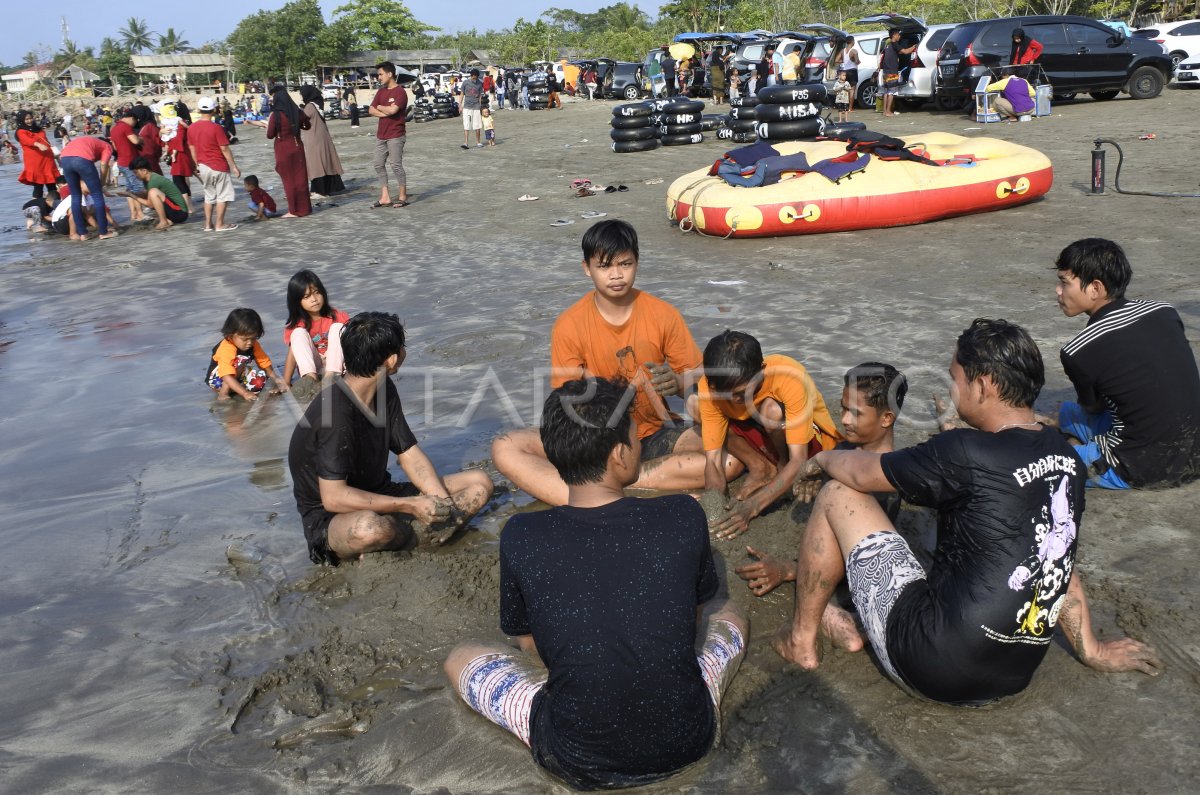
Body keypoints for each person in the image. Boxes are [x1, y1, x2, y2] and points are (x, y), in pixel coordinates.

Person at [773, 318, 1161, 704]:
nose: (951, 387)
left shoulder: (963, 450)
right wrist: (1091, 648)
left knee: (837, 493)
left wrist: (821, 459)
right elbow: (1057, 554)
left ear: (983, 385)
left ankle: (800, 641)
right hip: (1011, 677)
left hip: (931, 667)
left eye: (953, 378)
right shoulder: (1067, 459)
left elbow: (860, 471)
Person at [446, 377, 747, 790]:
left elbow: (530, 646)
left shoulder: (521, 534)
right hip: (686, 740)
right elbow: (692, 622)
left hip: (573, 756)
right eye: (635, 438)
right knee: (728, 612)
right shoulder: (682, 514)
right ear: (621, 454)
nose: (639, 444)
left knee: (460, 656)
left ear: (553, 453)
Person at [491, 220, 741, 506]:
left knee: (731, 460)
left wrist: (676, 382)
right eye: (605, 266)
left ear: (637, 262)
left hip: (652, 434)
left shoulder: (663, 314)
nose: (617, 275)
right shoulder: (569, 325)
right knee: (505, 447)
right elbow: (567, 402)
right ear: (587, 268)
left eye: (625, 264)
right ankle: (610, 488)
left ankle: (608, 489)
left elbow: (700, 380)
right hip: (594, 442)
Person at [287, 311, 495, 564]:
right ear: (392, 359)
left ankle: (411, 539)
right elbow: (333, 497)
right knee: (370, 528)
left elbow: (410, 454)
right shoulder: (335, 413)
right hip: (331, 516)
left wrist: (442, 505)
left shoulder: (384, 388)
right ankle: (408, 538)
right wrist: (409, 506)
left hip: (380, 492)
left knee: (479, 482)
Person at [736, 362, 907, 597]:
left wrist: (789, 569)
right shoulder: (844, 448)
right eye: (843, 408)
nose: (845, 420)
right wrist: (819, 479)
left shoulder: (884, 486)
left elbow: (854, 562)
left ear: (887, 418)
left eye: (855, 413)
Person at [1053, 238, 1200, 488]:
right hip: (1194, 448)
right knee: (1067, 414)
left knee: (1044, 462)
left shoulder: (1078, 350)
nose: (1058, 291)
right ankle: (1074, 440)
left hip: (1141, 465)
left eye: (1064, 283)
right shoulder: (1163, 309)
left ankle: (1078, 449)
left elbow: (1094, 408)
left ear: (1095, 289)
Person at [697, 331, 841, 540]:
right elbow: (712, 461)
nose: (736, 399)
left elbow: (800, 460)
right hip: (762, 438)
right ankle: (763, 468)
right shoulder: (710, 387)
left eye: (742, 392)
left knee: (772, 411)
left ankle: (781, 469)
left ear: (761, 371)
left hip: (806, 446)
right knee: (696, 408)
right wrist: (714, 507)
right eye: (727, 395)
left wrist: (750, 508)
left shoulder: (789, 377)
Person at [281, 269, 349, 399]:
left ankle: (331, 377)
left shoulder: (336, 316)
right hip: (315, 366)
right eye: (307, 297)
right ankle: (310, 380)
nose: (314, 299)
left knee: (338, 327)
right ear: (297, 302)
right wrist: (286, 382)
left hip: (337, 367)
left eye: (317, 293)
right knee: (298, 334)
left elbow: (353, 343)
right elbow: (293, 354)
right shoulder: (297, 325)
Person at [246, 86, 311, 218]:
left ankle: (293, 210)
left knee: (289, 181)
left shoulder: (276, 115)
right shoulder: (297, 111)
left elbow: (270, 135)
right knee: (301, 179)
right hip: (297, 146)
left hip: (283, 149)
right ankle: (305, 209)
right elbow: (307, 125)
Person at [205, 308, 286, 401]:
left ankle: (236, 388)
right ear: (231, 334)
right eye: (245, 339)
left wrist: (275, 378)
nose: (249, 343)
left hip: (237, 376)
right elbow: (226, 375)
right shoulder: (226, 348)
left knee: (260, 381)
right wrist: (245, 393)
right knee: (238, 362)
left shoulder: (253, 344)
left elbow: (264, 362)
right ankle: (224, 393)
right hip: (218, 380)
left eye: (253, 338)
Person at [188, 96, 241, 231]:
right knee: (223, 195)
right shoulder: (216, 128)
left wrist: (196, 165)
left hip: (203, 166)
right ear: (213, 111)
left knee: (209, 196)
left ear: (199, 110)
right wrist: (234, 166)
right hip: (218, 165)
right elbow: (224, 148)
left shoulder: (191, 128)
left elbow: (192, 148)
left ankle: (207, 225)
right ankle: (219, 224)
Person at [55, 134, 117, 241]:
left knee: (75, 197)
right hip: (81, 159)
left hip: (65, 159)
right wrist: (101, 183)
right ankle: (103, 232)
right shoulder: (107, 146)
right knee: (97, 196)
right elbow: (103, 164)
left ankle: (83, 234)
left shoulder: (89, 141)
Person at [369, 61, 409, 208]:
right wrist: (385, 110)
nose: (378, 77)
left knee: (395, 164)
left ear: (390, 74)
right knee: (378, 164)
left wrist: (380, 107)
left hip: (396, 134)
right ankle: (385, 196)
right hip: (381, 134)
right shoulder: (381, 92)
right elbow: (370, 110)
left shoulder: (400, 92)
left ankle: (402, 195)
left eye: (380, 74)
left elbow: (393, 111)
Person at [297, 85, 346, 196]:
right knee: (326, 162)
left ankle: (319, 190)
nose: (300, 96)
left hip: (314, 139)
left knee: (316, 164)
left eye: (301, 93)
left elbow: (301, 119)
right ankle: (331, 188)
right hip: (322, 137)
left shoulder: (310, 106)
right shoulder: (317, 104)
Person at [119, 155, 189, 229]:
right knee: (152, 193)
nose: (135, 175)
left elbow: (150, 204)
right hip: (174, 211)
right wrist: (132, 193)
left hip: (180, 213)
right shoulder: (147, 179)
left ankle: (164, 221)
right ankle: (166, 220)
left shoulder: (154, 180)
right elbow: (146, 195)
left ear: (144, 171)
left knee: (153, 192)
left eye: (136, 172)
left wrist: (132, 195)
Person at [109, 109, 146, 222]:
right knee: (138, 188)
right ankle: (140, 214)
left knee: (130, 189)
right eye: (135, 122)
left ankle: (133, 214)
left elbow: (114, 147)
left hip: (121, 162)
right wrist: (141, 139)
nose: (135, 124)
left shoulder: (114, 128)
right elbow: (134, 141)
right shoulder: (126, 127)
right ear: (131, 118)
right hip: (130, 162)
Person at [15, 111, 60, 206]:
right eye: (26, 119)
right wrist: (37, 144)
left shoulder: (39, 130)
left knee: (52, 186)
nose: (29, 121)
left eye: (30, 118)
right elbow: (26, 140)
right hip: (35, 163)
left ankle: (56, 208)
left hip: (47, 160)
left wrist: (54, 152)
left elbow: (47, 142)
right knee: (38, 186)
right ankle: (37, 209)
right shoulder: (20, 131)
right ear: (21, 120)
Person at [161, 101, 195, 213]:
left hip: (180, 155)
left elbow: (178, 140)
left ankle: (186, 207)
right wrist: (161, 132)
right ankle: (189, 206)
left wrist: (173, 152)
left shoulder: (179, 125)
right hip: (181, 154)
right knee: (182, 181)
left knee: (178, 181)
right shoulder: (180, 123)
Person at [880, 29, 916, 118]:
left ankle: (885, 111)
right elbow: (905, 52)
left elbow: (899, 52)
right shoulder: (895, 44)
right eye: (898, 35)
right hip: (892, 71)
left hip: (886, 71)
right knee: (891, 92)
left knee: (886, 91)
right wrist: (915, 46)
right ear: (894, 35)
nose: (899, 37)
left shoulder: (888, 45)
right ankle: (888, 112)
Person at [132, 104, 163, 174]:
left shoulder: (150, 126)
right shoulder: (135, 126)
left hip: (150, 157)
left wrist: (157, 155)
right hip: (139, 158)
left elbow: (157, 142)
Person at [460, 68, 485, 149]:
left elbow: (480, 96)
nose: (475, 79)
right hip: (467, 107)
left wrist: (480, 106)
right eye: (474, 77)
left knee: (477, 125)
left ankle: (478, 142)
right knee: (466, 125)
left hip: (476, 107)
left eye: (476, 77)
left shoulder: (480, 83)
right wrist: (460, 105)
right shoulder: (465, 83)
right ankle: (466, 143)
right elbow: (462, 94)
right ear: (471, 76)